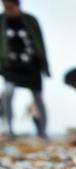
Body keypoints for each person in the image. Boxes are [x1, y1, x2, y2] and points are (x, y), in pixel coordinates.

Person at [0, 0, 48, 139]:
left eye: (10, 6)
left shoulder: (30, 20)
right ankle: (9, 129)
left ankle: (42, 131)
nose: (7, 9)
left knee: (38, 98)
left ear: (17, 5)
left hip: (31, 66)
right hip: (10, 66)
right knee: (8, 94)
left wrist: (44, 65)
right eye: (5, 6)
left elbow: (40, 43)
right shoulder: (1, 21)